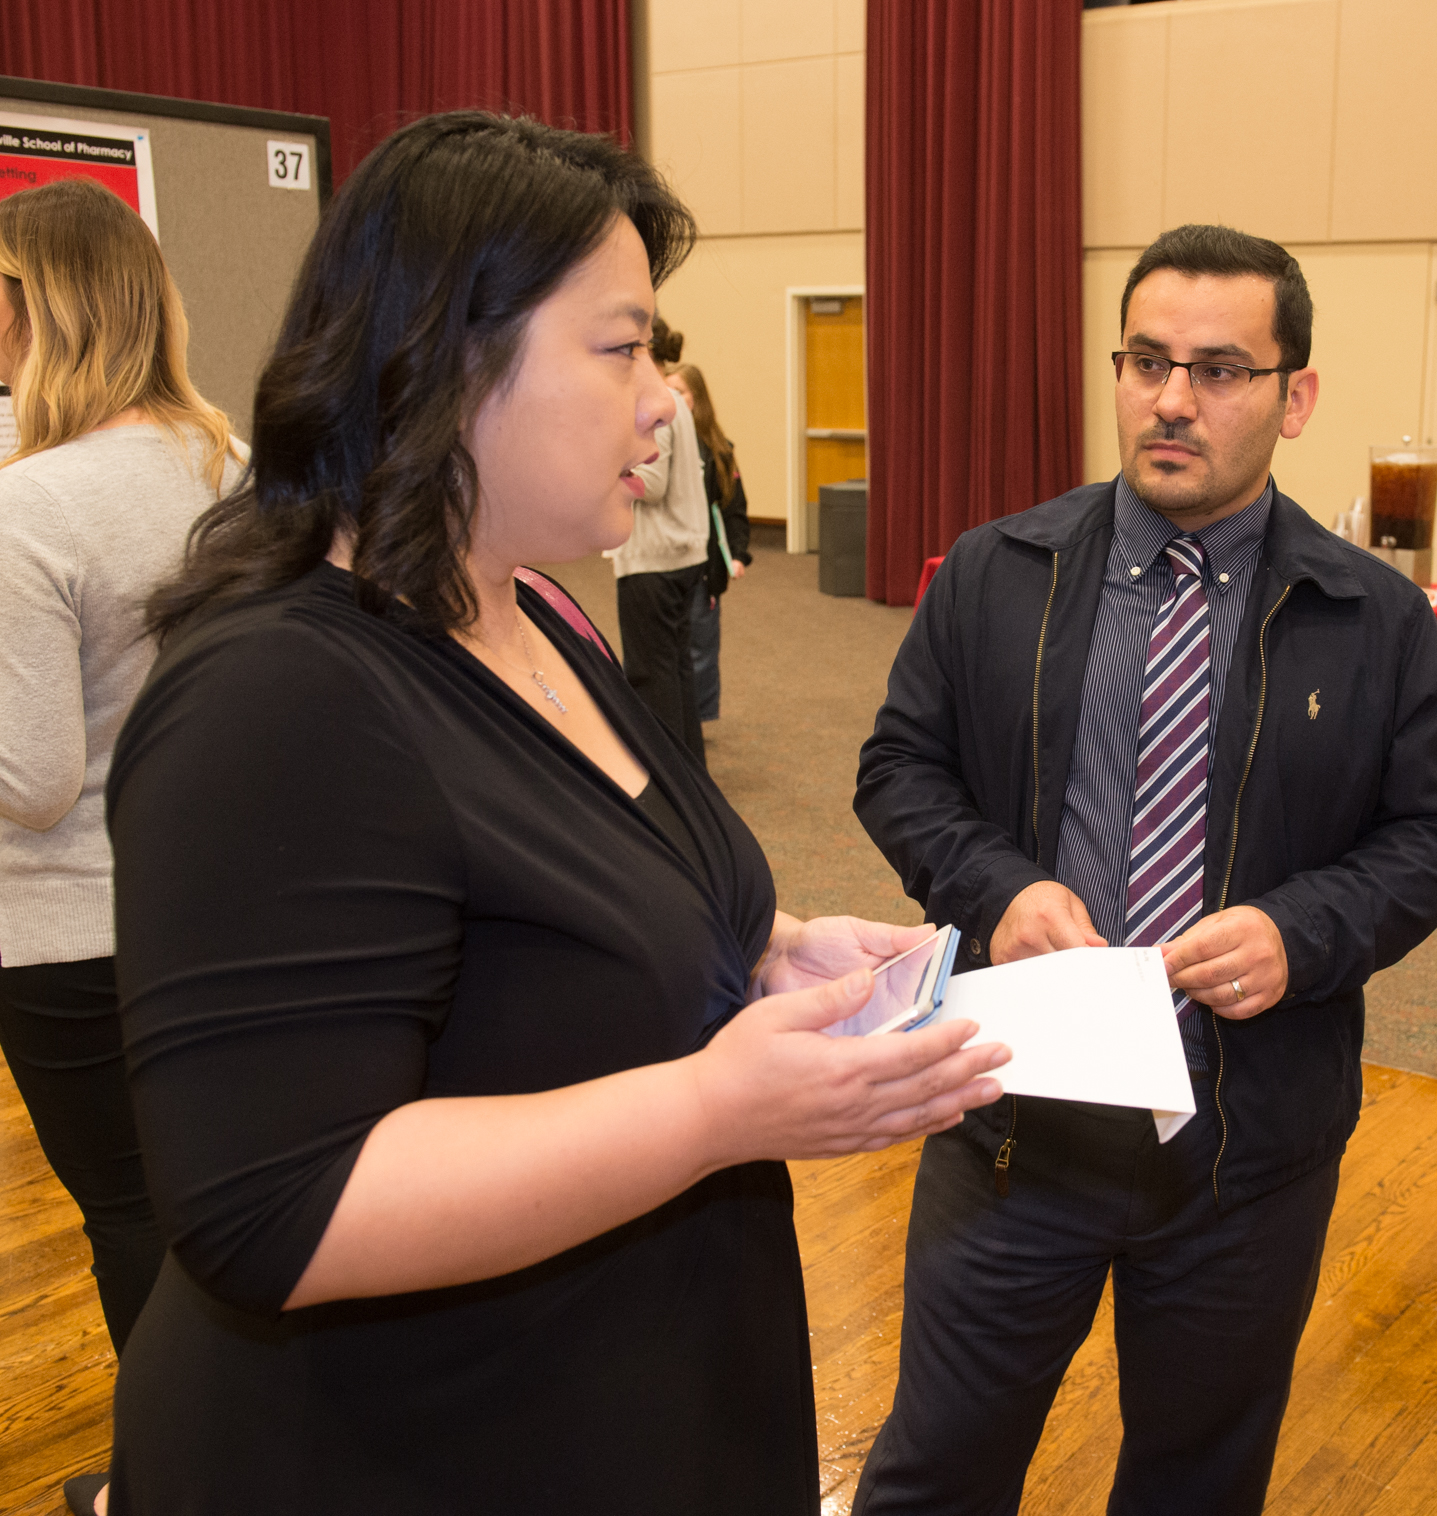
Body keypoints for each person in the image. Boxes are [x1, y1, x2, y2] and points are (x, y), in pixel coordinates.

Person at [103, 112, 1009, 1516]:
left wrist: (774, 951)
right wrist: (714, 1107)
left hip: (622, 1392)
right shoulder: (281, 695)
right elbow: (277, 1208)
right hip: (402, 1450)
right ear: (448, 358)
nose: (662, 396)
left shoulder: (534, 611)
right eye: (622, 345)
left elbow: (581, 908)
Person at [851, 224, 1437, 1515]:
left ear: (1294, 396)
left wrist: (1299, 934)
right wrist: (998, 888)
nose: (1170, 400)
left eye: (1218, 370)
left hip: (1242, 1157)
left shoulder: (1373, 618)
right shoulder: (995, 575)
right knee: (936, 1475)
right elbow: (899, 772)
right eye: (1146, 361)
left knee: (1197, 1487)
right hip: (1010, 1127)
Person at [0, 178, 247, 1516]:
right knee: (220, 1209)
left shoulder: (29, 508)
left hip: (64, 930)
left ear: (41, 314)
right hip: (217, 909)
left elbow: (28, 780)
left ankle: (169, 1484)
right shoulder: (233, 469)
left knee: (132, 1226)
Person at [609, 314, 711, 760]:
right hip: (681, 555)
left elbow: (653, 482)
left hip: (656, 559)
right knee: (676, 669)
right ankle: (691, 773)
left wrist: (610, 471)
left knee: (652, 676)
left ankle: (670, 777)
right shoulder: (675, 403)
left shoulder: (655, 404)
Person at [666, 362, 752, 722]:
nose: (671, 399)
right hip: (669, 557)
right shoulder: (658, 442)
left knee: (701, 642)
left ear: (696, 398)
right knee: (667, 643)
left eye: (679, 392)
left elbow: (734, 507)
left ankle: (697, 719)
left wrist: (737, 554)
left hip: (705, 564)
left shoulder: (718, 450)